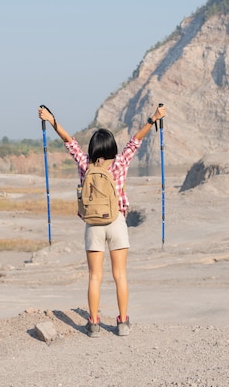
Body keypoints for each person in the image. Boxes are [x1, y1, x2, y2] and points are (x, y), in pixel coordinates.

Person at [38, 103, 166, 337]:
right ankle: (123, 323)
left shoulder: (84, 164)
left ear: (93, 148)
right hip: (116, 222)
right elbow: (135, 141)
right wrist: (153, 118)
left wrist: (51, 119)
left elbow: (69, 141)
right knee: (120, 275)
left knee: (95, 277)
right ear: (112, 148)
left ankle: (94, 323)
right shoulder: (119, 163)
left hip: (93, 226)